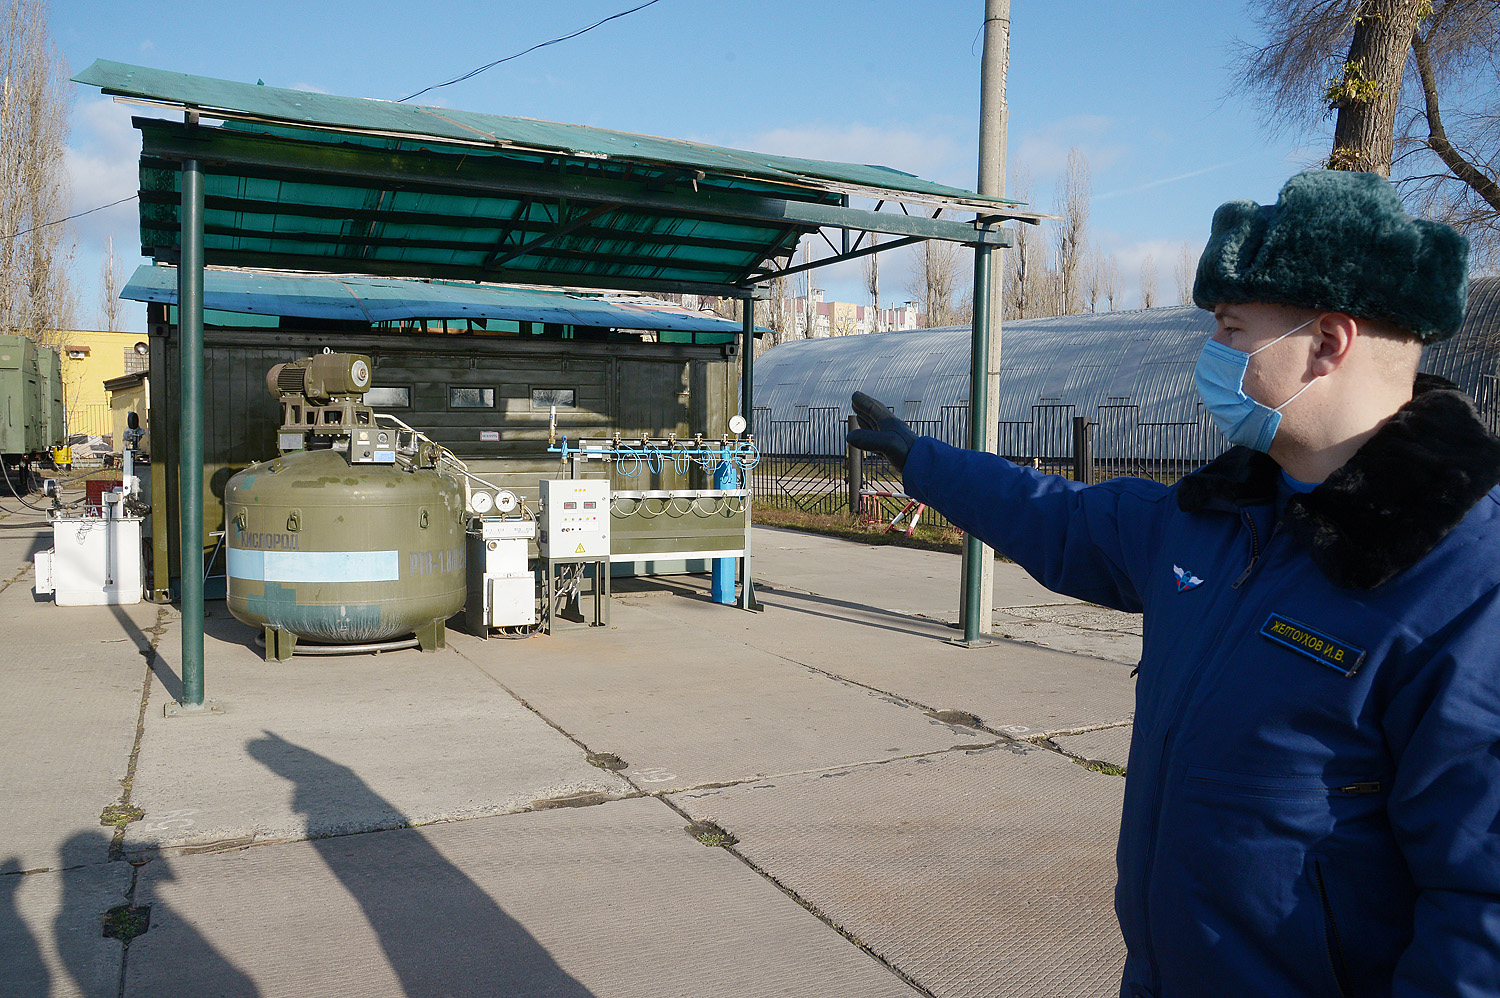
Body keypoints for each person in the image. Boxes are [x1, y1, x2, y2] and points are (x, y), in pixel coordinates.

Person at [847, 169, 1500, 998]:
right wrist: (924, 461)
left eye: (1231, 329)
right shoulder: (1221, 515)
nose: (1211, 355)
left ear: (1328, 342)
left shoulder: (1464, 581)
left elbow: (1482, 911)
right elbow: (1064, 518)